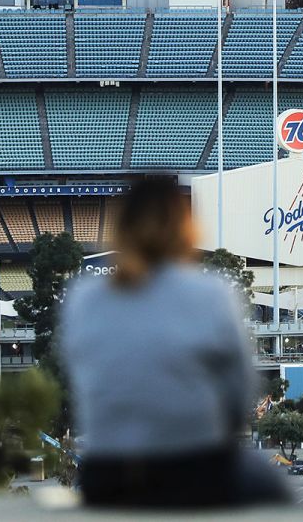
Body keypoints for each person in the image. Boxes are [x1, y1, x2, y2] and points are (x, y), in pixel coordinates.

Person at [59, 177, 283, 508]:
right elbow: (239, 392)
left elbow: (82, 379)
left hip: (109, 474)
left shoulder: (84, 297)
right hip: (193, 469)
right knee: (274, 485)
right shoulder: (211, 294)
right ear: (185, 229)